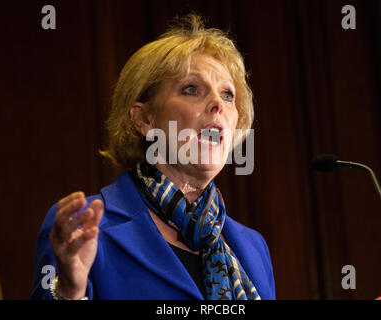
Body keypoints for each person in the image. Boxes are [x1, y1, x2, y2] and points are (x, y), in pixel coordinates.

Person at [31, 14, 275, 300]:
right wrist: (69, 292)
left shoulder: (253, 247)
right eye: (191, 89)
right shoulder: (84, 226)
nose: (217, 105)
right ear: (144, 118)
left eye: (228, 95)